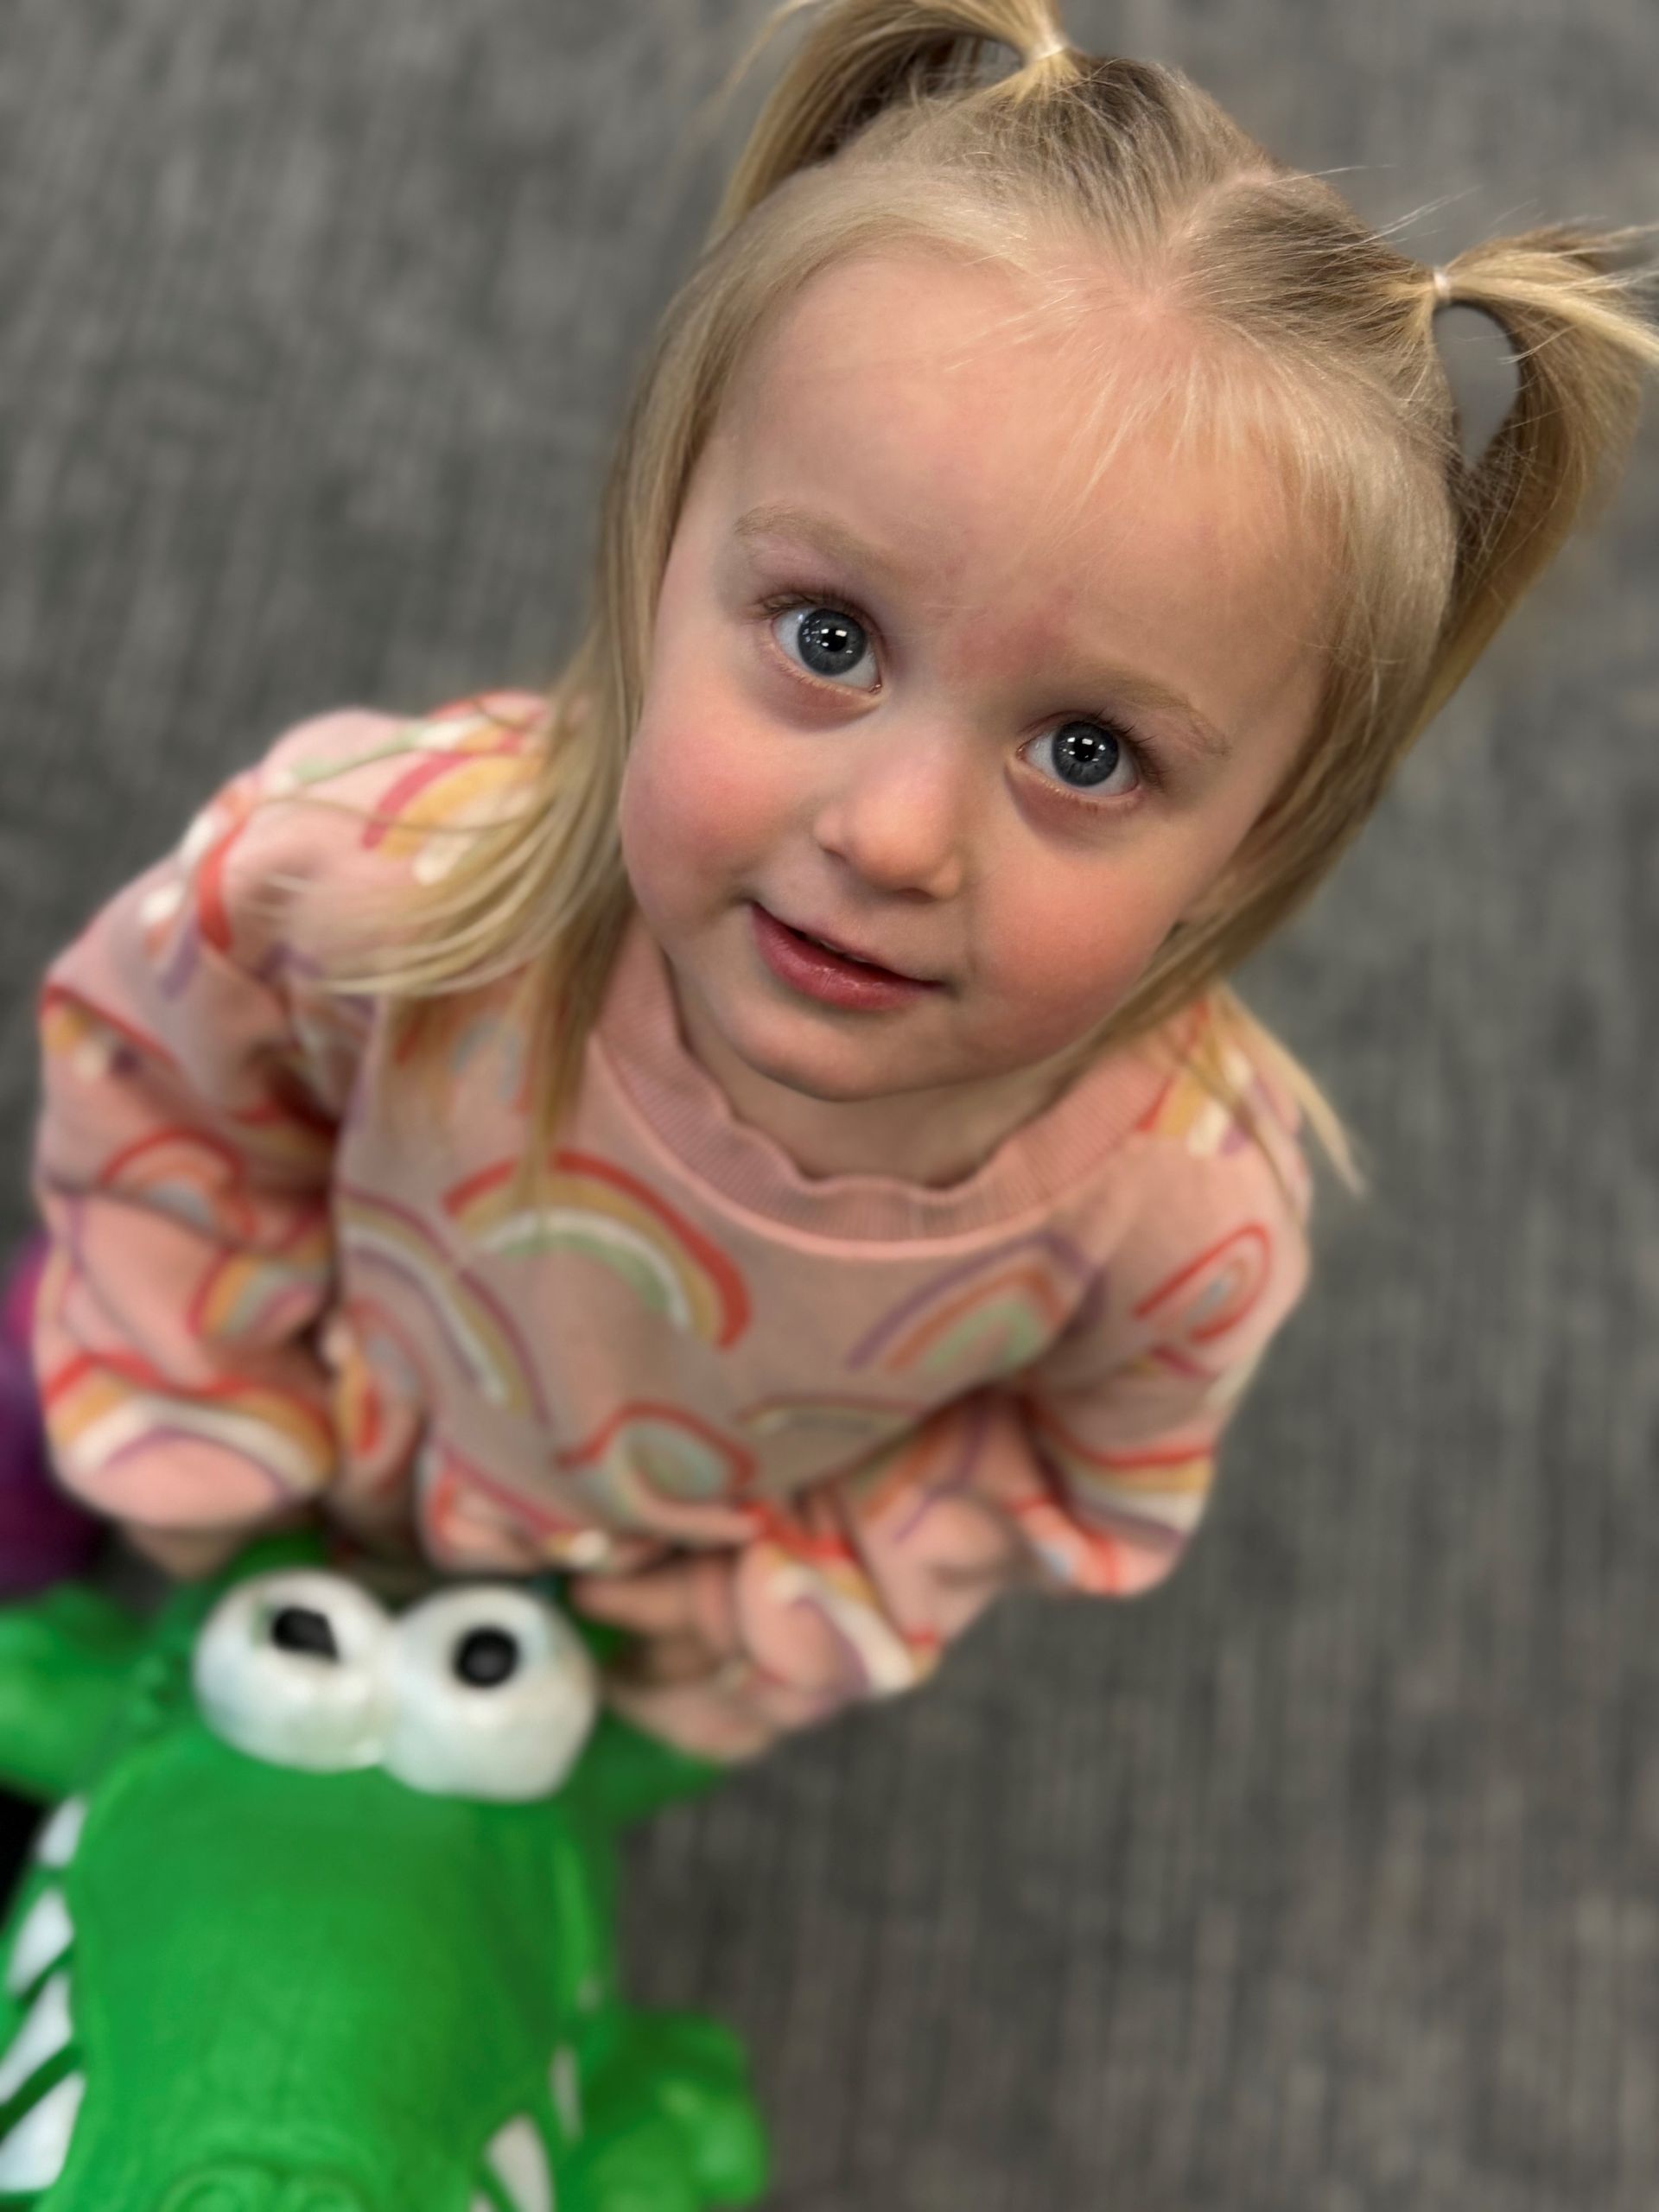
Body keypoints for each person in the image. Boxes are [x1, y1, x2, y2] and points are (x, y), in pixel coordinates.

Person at [21, 0, 1659, 1761]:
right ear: (662, 549)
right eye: (829, 635)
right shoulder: (363, 864)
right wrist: (187, 1420)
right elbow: (152, 1082)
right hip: (240, 1387)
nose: (891, 836)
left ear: (1256, 836)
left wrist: (772, 1613)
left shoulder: (1183, 1210)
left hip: (586, 1623)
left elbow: (1068, 1467)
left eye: (1088, 751)